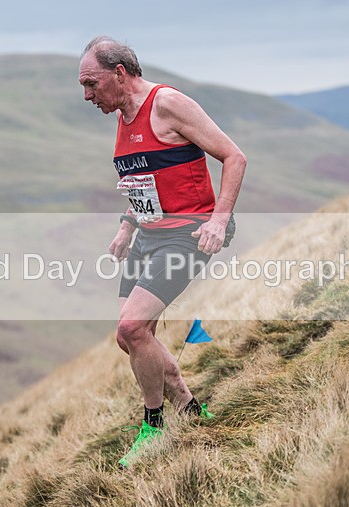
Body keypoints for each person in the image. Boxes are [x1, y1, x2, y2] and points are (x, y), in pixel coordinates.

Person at [78, 36, 246, 467]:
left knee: (135, 330)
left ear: (119, 73)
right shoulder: (122, 114)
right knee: (129, 337)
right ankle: (190, 409)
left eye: (91, 83)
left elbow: (234, 157)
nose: (87, 95)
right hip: (148, 235)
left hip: (187, 235)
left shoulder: (167, 104)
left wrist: (220, 219)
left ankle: (153, 426)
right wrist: (127, 225)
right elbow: (146, 183)